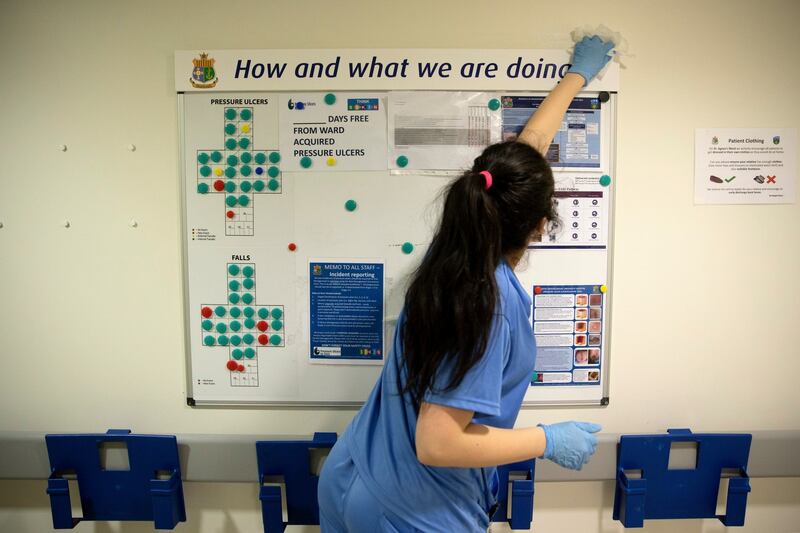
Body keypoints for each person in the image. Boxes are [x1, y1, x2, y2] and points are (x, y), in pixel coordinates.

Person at [318, 36, 615, 532]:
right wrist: (546, 439)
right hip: (414, 510)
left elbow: (526, 154)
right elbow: (438, 442)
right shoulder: (488, 303)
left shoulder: (453, 255)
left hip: (352, 475)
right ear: (540, 225)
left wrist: (576, 78)